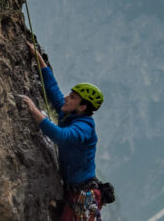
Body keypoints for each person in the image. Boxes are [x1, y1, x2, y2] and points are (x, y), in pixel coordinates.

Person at [19, 41, 105, 221]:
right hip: (77, 193)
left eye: (72, 97)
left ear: (82, 107)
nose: (66, 97)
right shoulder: (70, 115)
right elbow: (53, 91)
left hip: (84, 195)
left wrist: (34, 111)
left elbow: (60, 136)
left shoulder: (84, 127)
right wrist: (39, 60)